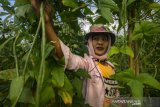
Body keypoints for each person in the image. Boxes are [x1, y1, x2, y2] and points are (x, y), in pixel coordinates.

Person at [31, 0, 119, 107]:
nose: (100, 42)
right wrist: (47, 22)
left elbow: (114, 96)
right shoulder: (87, 64)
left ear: (109, 43)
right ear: (90, 43)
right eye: (96, 39)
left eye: (104, 39)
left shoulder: (112, 67)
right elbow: (65, 56)